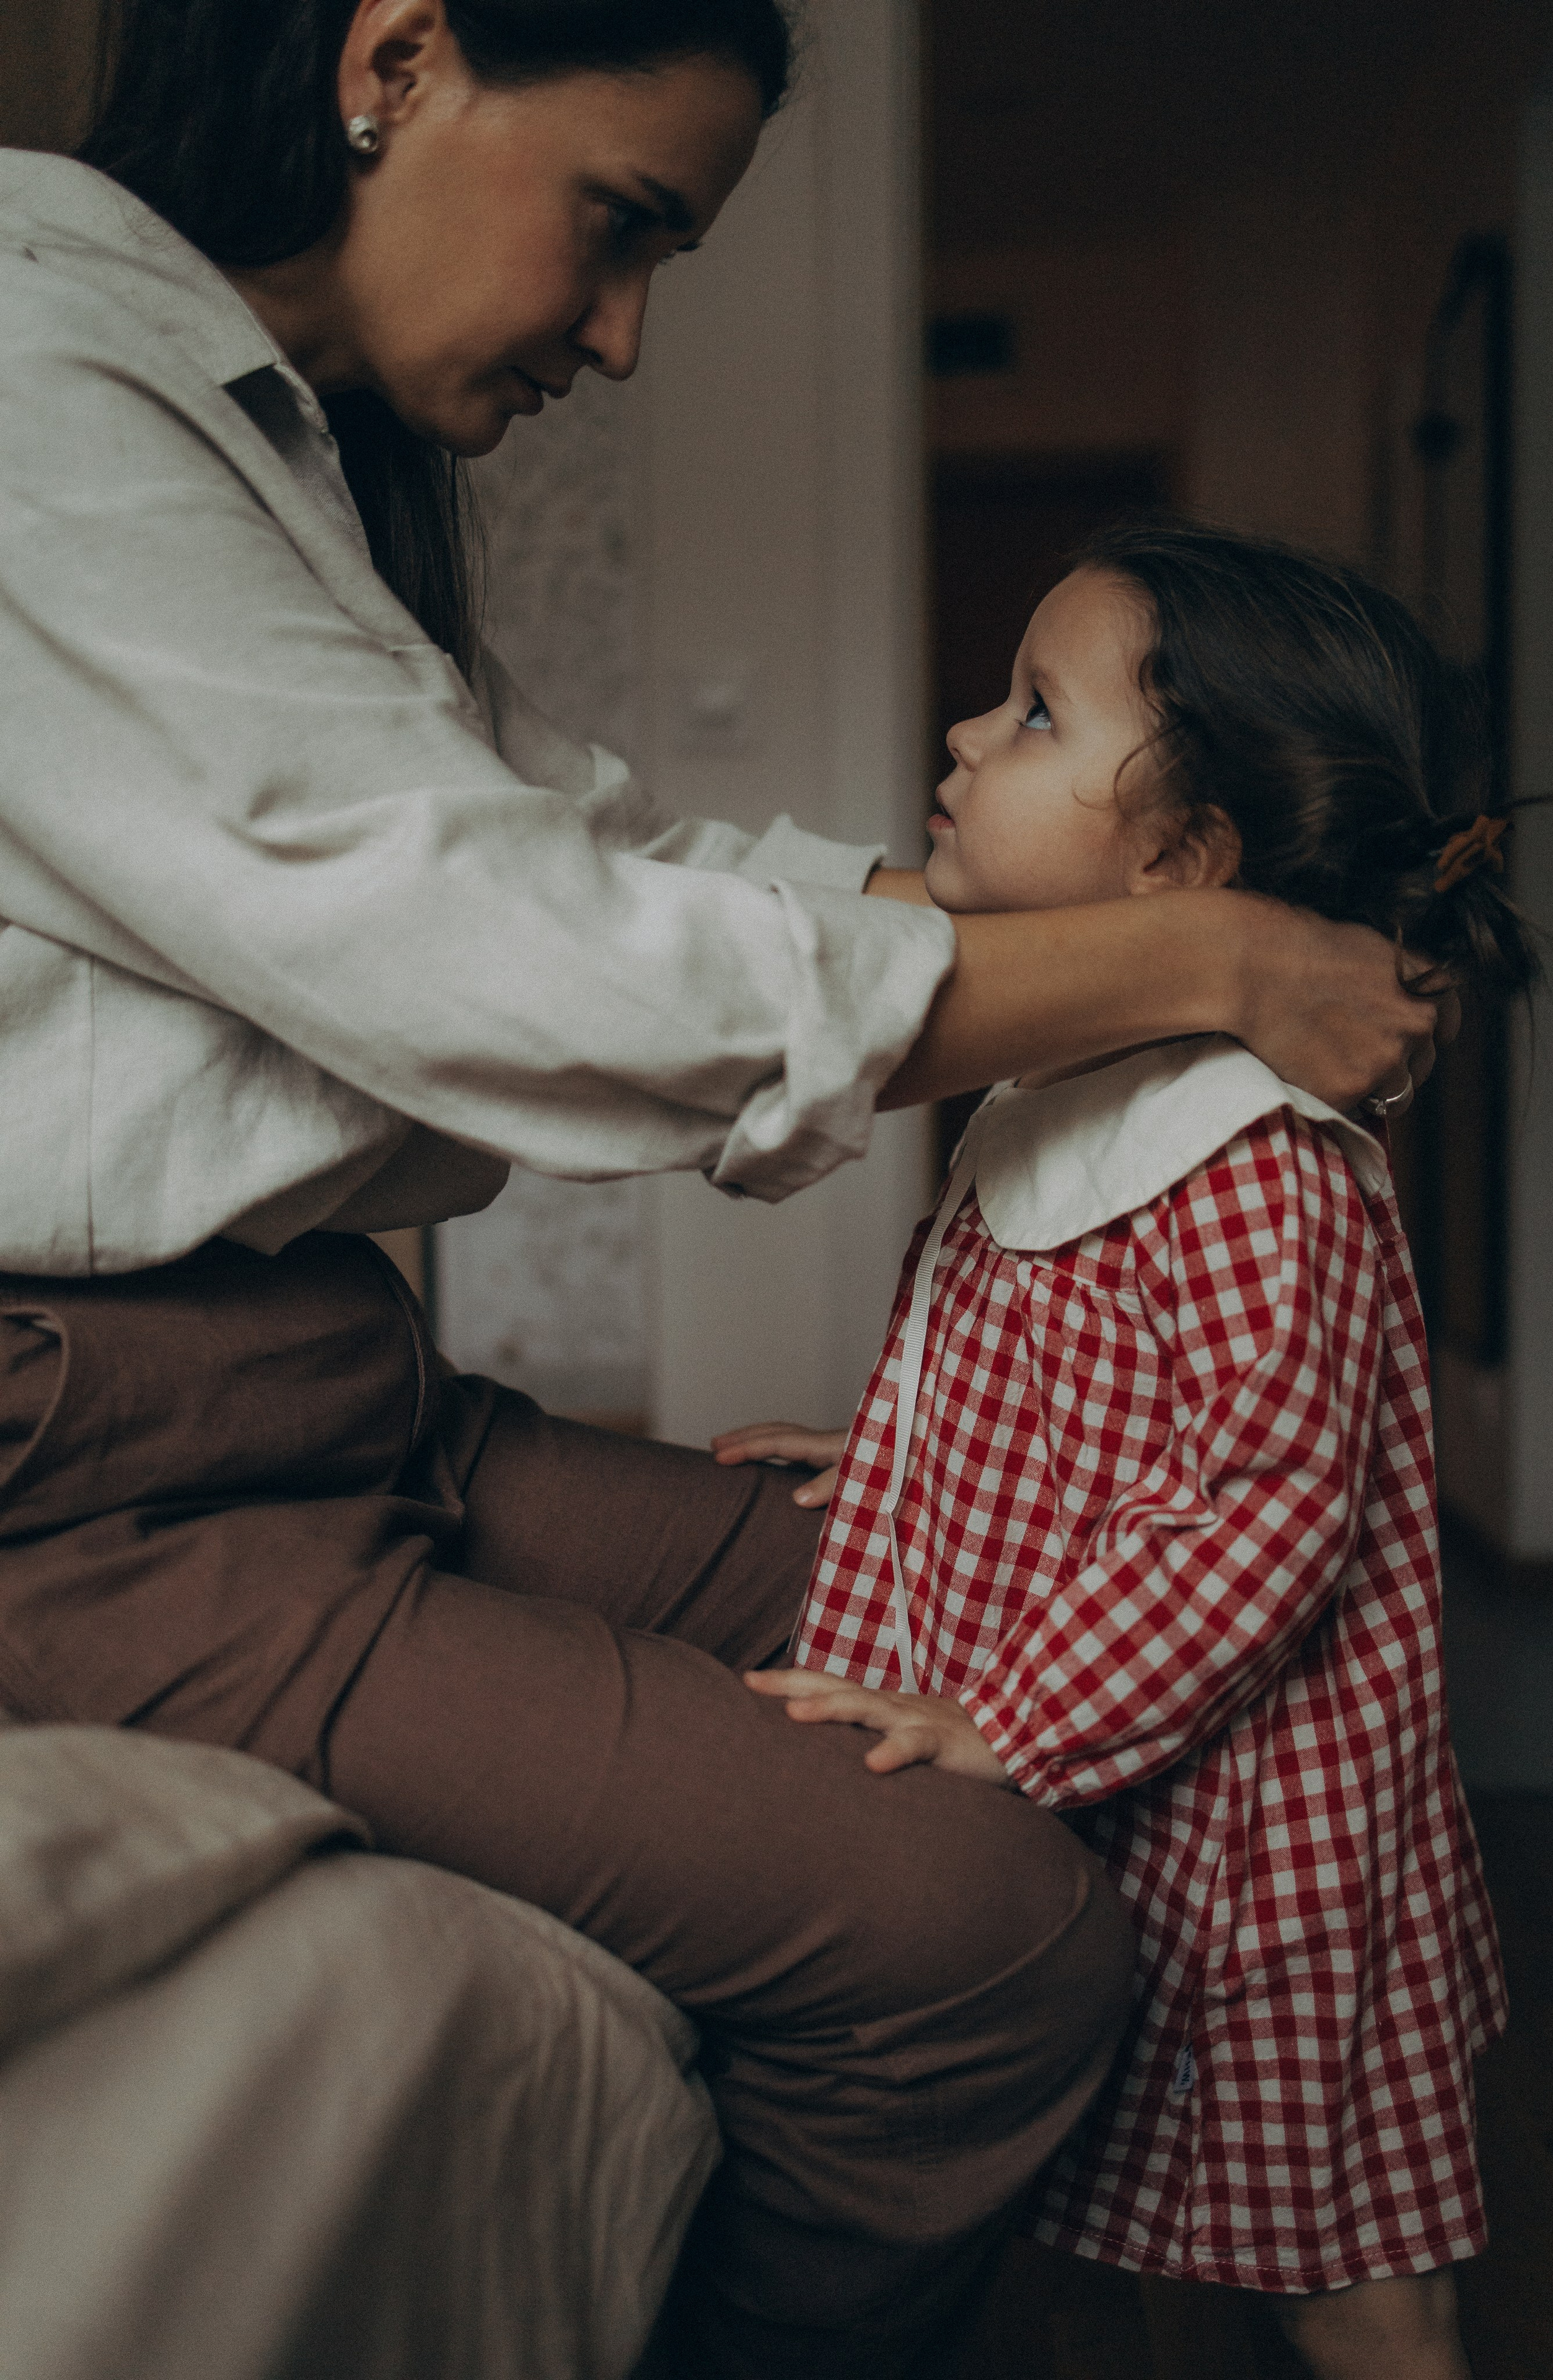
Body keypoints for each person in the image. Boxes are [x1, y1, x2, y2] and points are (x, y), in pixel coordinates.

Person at [0, 0, 1446, 2368]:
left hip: (330, 1398)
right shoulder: (35, 379)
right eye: (622, 225)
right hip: (108, 1487)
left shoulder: (268, 453)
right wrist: (1183, 947)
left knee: (921, 1610)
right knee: (987, 1934)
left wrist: (1170, 949)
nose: (627, 334)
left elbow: (593, 850)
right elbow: (510, 952)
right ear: (397, 54)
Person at [723, 524, 1532, 2379]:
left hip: (1252, 1838)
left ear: (1184, 861)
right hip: (1135, 1787)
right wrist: (904, 1448)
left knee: (1334, 2261)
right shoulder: (1068, 1075)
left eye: (1029, 715)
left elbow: (1261, 1504)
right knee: (1176, 2214)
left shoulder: (1255, 1161)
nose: (961, 731)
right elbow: (1086, 1383)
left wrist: (1011, 1725)